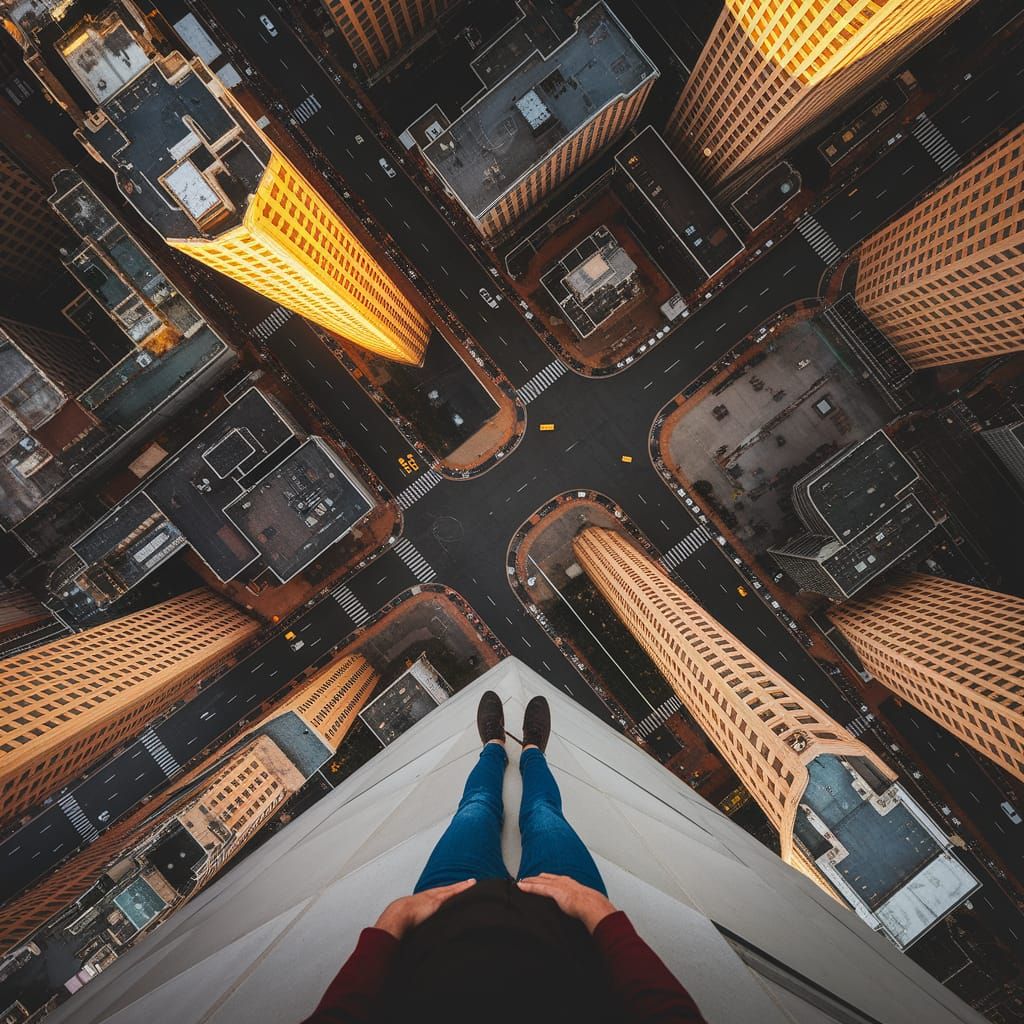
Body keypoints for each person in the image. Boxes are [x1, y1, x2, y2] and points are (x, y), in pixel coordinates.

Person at [301, 692, 707, 1023]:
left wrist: (390, 925)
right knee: (544, 812)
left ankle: (495, 748)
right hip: (571, 932)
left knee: (476, 807)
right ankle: (532, 752)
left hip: (445, 917)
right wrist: (601, 916)